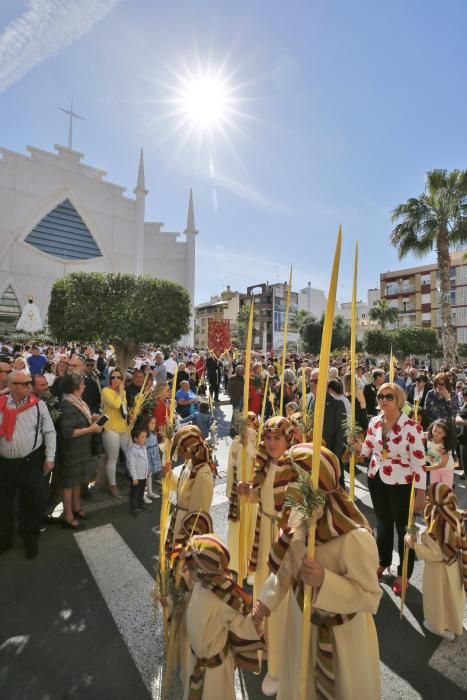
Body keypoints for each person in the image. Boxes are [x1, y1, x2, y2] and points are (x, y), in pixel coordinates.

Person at [253, 443, 382, 700]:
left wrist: (326, 581)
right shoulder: (299, 521)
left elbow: (370, 597)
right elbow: (288, 565)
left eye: (293, 483)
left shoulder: (355, 538)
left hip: (343, 638)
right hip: (301, 623)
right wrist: (264, 603)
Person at [237, 416, 294, 696]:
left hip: (283, 540)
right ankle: (266, 647)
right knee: (262, 591)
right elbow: (264, 497)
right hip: (265, 533)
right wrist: (249, 492)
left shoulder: (296, 469)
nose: (271, 444)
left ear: (290, 440)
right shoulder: (266, 465)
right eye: (268, 438)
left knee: (279, 600)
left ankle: (282, 663)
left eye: (277, 438)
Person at [355, 382, 426, 595]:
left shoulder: (412, 427)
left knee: (404, 528)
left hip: (402, 484)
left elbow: (419, 463)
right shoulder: (375, 421)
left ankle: (404, 572)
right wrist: (356, 446)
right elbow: (366, 450)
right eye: (380, 396)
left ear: (399, 400)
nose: (383, 400)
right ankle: (383, 560)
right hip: (376, 479)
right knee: (383, 522)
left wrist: (421, 493)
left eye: (389, 397)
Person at [183, 534, 264, 700]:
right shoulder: (199, 584)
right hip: (195, 660)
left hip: (215, 670)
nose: (187, 571)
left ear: (204, 572)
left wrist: (254, 619)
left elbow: (241, 625)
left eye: (191, 568)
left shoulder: (223, 601)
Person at [0, 370, 56, 559]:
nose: (28, 387)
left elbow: (49, 432)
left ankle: (30, 540)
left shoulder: (38, 406)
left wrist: (50, 458)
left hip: (30, 462)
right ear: (11, 387)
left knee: (31, 503)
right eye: (23, 384)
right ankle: (4, 539)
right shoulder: (0, 404)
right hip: (5, 464)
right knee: (4, 504)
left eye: (29, 383)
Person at [404, 483, 466, 641]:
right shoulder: (454, 515)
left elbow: (436, 554)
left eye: (428, 498)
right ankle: (454, 624)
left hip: (438, 571)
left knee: (437, 599)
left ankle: (439, 627)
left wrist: (413, 545)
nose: (426, 501)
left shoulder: (437, 524)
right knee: (452, 598)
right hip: (454, 566)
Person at [58, 373, 103, 529]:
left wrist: (92, 419)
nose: (84, 386)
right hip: (72, 451)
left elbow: (80, 423)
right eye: (82, 383)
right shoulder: (67, 405)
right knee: (69, 483)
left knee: (77, 481)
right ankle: (68, 516)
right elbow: (67, 433)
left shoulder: (77, 402)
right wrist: (90, 428)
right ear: (76, 387)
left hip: (81, 449)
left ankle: (76, 509)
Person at [165, 425, 216, 553]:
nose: (179, 453)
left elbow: (198, 515)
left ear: (191, 448)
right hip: (179, 521)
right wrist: (169, 475)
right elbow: (183, 489)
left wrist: (187, 544)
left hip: (186, 529)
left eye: (181, 449)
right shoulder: (190, 463)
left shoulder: (203, 474)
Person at [226, 412, 259, 579]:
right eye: (245, 423)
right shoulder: (235, 443)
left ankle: (250, 566)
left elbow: (260, 467)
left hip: (252, 493)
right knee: (238, 527)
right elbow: (230, 467)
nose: (248, 426)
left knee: (252, 529)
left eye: (250, 423)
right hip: (238, 492)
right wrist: (229, 492)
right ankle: (236, 563)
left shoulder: (258, 443)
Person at [101, 368, 131, 497]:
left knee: (130, 453)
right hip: (110, 428)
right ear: (109, 379)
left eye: (119, 377)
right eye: (113, 377)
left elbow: (124, 409)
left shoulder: (122, 391)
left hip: (124, 427)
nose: (116, 380)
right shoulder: (106, 391)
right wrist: (120, 393)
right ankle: (112, 485)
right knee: (113, 458)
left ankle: (133, 478)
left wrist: (131, 415)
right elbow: (116, 405)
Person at [425, 419, 456, 488]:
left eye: (440, 433)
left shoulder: (444, 446)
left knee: (445, 490)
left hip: (446, 469)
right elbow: (419, 432)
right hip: (434, 468)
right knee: (434, 488)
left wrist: (426, 468)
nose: (436, 434)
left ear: (445, 434)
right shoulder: (428, 436)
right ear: (432, 427)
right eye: (435, 430)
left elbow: (443, 464)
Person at [126, 426, 149, 517]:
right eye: (142, 437)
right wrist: (134, 478)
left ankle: (140, 504)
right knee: (134, 493)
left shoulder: (143, 447)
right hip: (136, 477)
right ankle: (134, 508)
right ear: (135, 439)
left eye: (145, 436)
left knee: (141, 491)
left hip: (143, 475)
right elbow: (131, 465)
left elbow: (145, 461)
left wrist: (146, 472)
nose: (145, 439)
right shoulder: (132, 451)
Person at [138, 414, 160, 500]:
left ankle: (149, 492)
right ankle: (142, 495)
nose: (154, 425)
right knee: (144, 476)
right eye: (152, 423)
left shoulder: (152, 433)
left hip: (152, 456)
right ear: (146, 423)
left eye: (154, 423)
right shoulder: (144, 434)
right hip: (146, 457)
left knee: (149, 475)